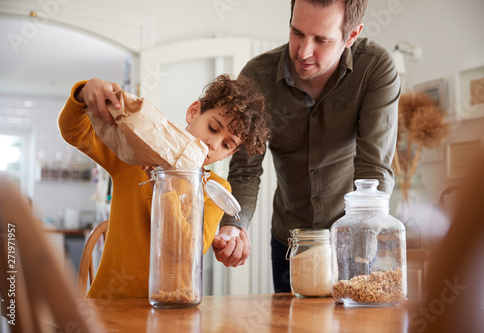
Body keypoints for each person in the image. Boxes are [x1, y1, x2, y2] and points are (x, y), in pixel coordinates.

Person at [219, 0, 400, 292]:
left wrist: (358, 255)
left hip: (354, 237)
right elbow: (245, 171)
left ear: (351, 35)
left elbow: (373, 170)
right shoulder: (258, 76)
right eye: (297, 33)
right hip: (289, 240)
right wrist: (233, 226)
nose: (303, 52)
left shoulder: (375, 68)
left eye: (321, 40)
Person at [58, 74, 270, 298]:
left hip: (172, 307)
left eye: (226, 144)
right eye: (213, 128)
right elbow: (75, 132)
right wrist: (84, 92)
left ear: (231, 153)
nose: (212, 144)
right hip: (109, 303)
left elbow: (187, 251)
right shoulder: (134, 155)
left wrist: (166, 183)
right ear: (193, 112)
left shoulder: (215, 189)